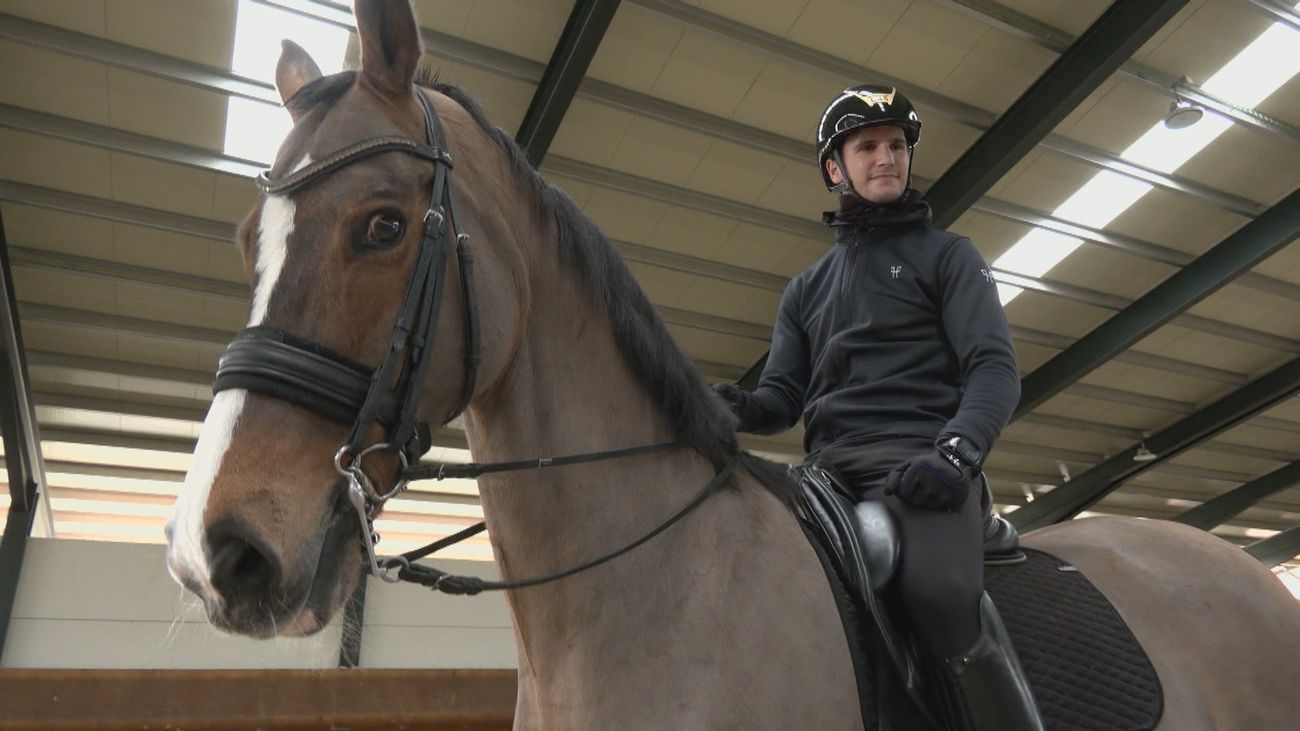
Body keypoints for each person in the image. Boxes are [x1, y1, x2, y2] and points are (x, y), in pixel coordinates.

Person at [714, 85, 1042, 731]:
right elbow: (784, 396)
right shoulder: (804, 288)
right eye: (868, 147)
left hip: (924, 464)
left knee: (939, 592)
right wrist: (738, 407)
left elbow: (995, 369)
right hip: (828, 473)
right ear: (836, 169)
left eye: (896, 145)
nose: (887, 157)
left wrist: (957, 454)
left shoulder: (951, 257)